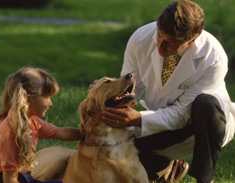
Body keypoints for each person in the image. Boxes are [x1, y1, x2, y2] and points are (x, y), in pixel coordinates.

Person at [100, 0, 235, 183]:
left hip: (197, 128)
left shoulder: (213, 58)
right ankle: (168, 168)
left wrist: (139, 119)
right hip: (156, 121)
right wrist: (120, 113)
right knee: (114, 167)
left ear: (192, 40)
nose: (161, 47)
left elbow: (181, 114)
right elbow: (130, 87)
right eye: (160, 36)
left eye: (171, 44)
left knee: (207, 106)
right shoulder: (141, 38)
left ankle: (205, 179)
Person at [0, 67, 82, 183]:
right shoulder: (9, 133)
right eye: (46, 96)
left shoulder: (33, 122)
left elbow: (60, 132)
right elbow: (9, 179)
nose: (51, 103)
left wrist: (87, 133)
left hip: (23, 176)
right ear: (27, 98)